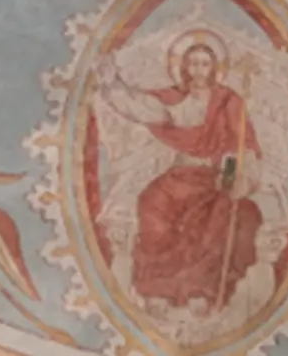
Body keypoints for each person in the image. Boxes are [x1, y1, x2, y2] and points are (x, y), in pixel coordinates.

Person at [95, 35, 264, 318]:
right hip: (179, 176)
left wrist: (234, 179)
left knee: (215, 219)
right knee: (151, 204)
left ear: (214, 68)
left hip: (213, 178)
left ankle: (200, 291)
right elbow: (139, 107)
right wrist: (112, 83)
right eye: (193, 64)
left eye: (204, 64)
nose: (199, 70)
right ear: (184, 67)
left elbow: (240, 144)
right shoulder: (174, 100)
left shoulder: (228, 101)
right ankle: (159, 290)